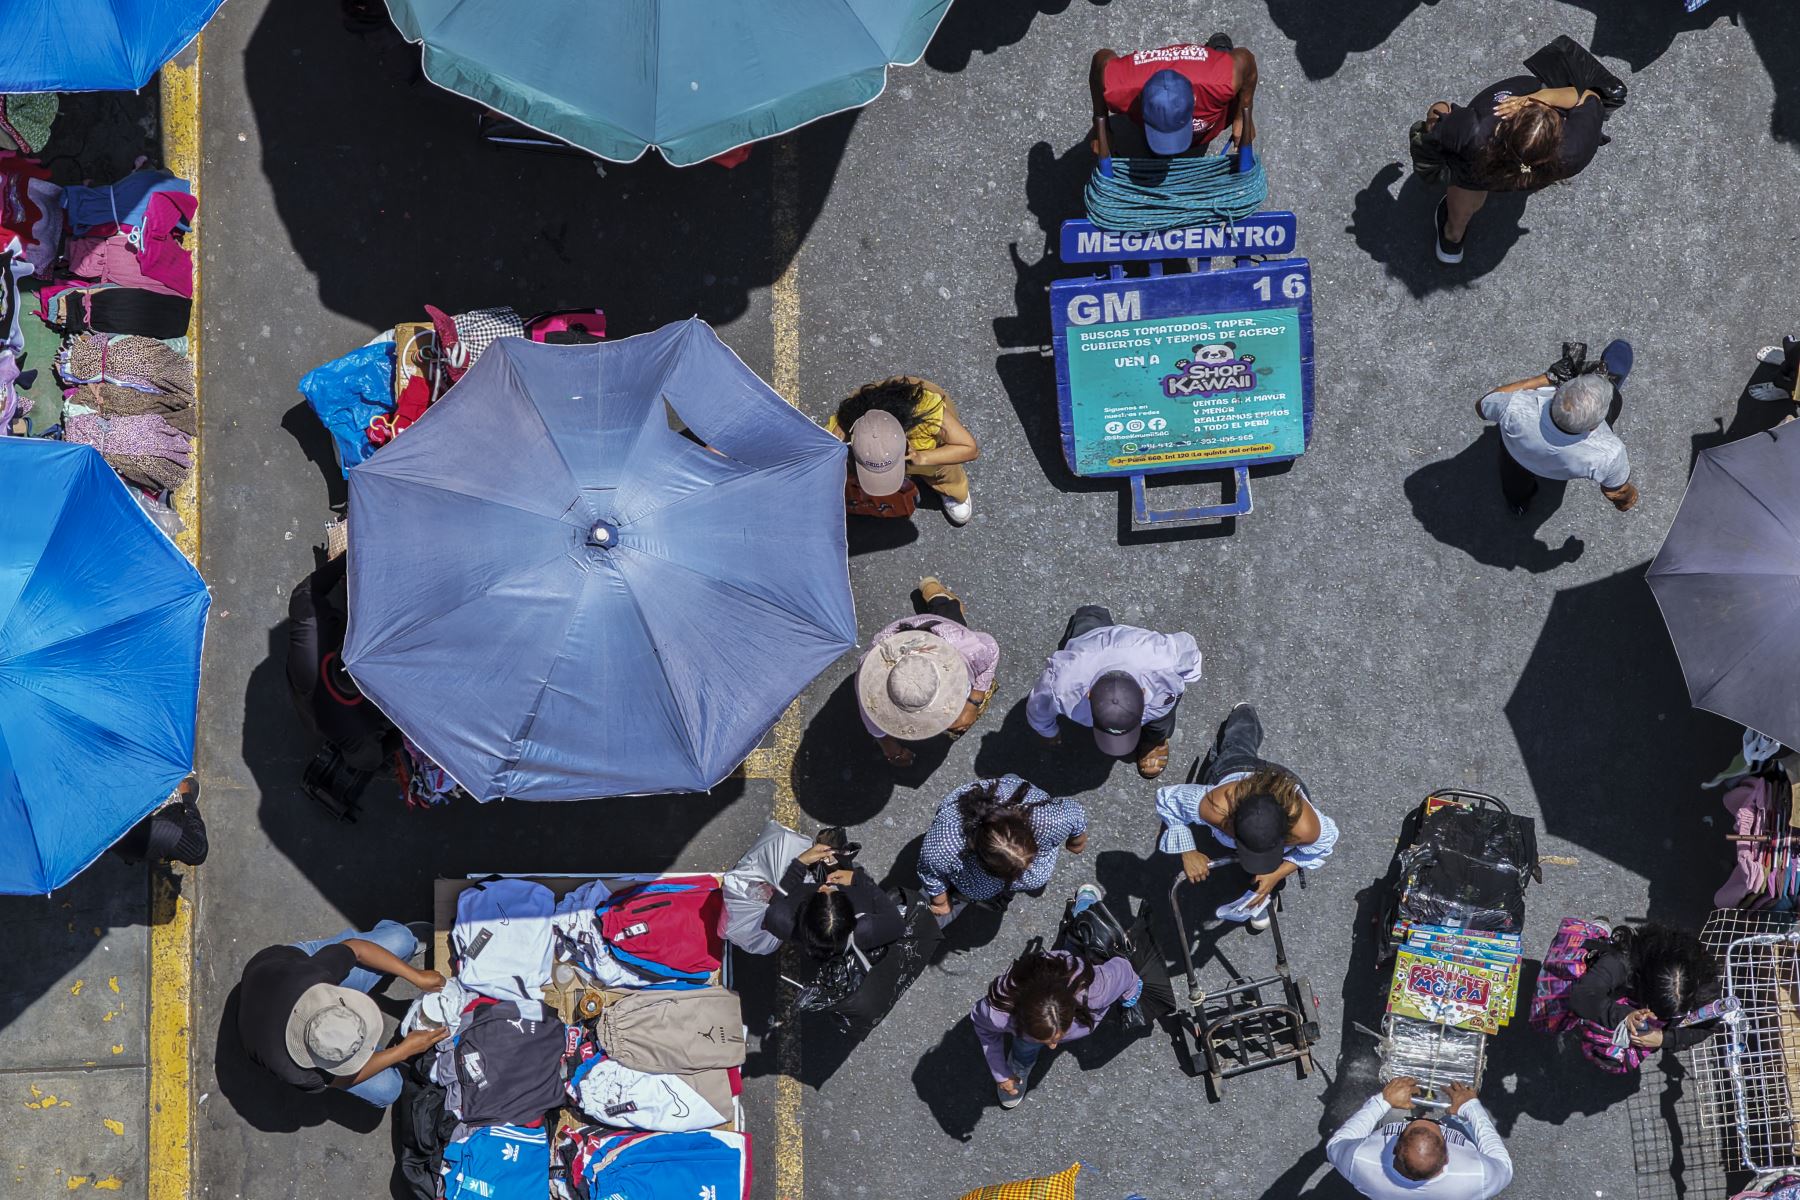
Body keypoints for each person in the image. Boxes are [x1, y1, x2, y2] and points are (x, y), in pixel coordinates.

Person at [1154, 703, 1337, 931]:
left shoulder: (1307, 828)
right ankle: (1243, 715)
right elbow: (1168, 800)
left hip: (1283, 783)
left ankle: (1266, 889)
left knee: (1271, 874)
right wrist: (1188, 851)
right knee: (1237, 745)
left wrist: (1276, 874)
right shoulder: (1215, 807)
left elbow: (1321, 847)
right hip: (1235, 769)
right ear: (1228, 825)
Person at [237, 920, 447, 1107]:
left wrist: (416, 976)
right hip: (267, 999)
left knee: (401, 939)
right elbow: (343, 1079)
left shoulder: (312, 975)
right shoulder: (298, 1072)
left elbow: (356, 949)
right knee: (388, 1089)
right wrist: (403, 1051)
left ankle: (404, 944)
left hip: (284, 965)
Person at [1420, 76, 1607, 263]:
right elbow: (1588, 95)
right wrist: (1546, 97)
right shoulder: (1574, 150)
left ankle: (1452, 238)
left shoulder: (1474, 131)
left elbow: (1437, 119)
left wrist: (1439, 111)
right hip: (1534, 176)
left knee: (1466, 180)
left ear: (1508, 122)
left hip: (1478, 170)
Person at [971, 922, 1142, 1110]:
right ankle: (1021, 1062)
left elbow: (1125, 970)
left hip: (1070, 968)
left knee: (1082, 931)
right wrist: (1001, 1073)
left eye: (1056, 1038)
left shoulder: (1096, 991)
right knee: (1026, 1044)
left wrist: (1130, 995)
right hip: (1056, 968)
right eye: (1048, 1040)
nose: (1053, 1047)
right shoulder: (998, 1014)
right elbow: (984, 1030)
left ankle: (1085, 905)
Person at [1026, 606, 1203, 779]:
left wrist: (1184, 677)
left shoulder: (1165, 660)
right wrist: (1048, 731)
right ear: (1088, 694)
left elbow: (1190, 652)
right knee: (1086, 627)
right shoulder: (1060, 684)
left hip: (1136, 651)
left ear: (1143, 693)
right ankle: (1091, 614)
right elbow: (1038, 708)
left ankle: (1155, 740)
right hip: (1089, 646)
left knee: (1161, 723)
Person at [1476, 340, 1637, 516]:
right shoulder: (1609, 454)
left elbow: (1482, 405)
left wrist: (1548, 377)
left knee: (1514, 481)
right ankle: (1609, 381)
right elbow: (1614, 490)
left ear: (1556, 395)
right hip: (1565, 465)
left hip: (1517, 456)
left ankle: (1518, 503)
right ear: (1593, 427)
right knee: (1615, 390)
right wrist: (1627, 499)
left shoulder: (1515, 407)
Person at [1534, 920, 1723, 1068]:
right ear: (1644, 981)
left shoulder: (1706, 987)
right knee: (1556, 1002)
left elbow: (1708, 1027)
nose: (1656, 1017)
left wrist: (1664, 1039)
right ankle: (1597, 930)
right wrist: (1625, 1017)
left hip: (1634, 1003)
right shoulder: (1626, 958)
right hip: (1618, 993)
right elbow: (1582, 996)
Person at [858, 577, 998, 767]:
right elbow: (873, 720)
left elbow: (991, 648)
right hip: (922, 637)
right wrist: (889, 747)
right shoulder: (869, 678)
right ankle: (936, 596)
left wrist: (974, 701)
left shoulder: (965, 645)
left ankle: (937, 594)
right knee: (948, 615)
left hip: (944, 633)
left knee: (951, 616)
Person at [917, 775, 1089, 922]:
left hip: (1009, 797)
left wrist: (1076, 840)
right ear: (982, 860)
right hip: (974, 831)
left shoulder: (1045, 817)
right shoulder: (944, 847)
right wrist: (940, 902)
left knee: (1036, 877)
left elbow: (1075, 814)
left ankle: (1010, 778)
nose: (1030, 866)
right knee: (979, 890)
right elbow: (929, 870)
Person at [1327, 1076, 1514, 1200]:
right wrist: (1471, 1107)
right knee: (1467, 1121)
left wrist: (1383, 1101)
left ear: (1394, 1149)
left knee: (1392, 1115)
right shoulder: (1476, 1176)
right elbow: (1503, 1164)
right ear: (1448, 1157)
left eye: (1412, 1123)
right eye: (1437, 1128)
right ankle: (1451, 1119)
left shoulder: (1359, 1160)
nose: (1424, 1118)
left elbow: (1335, 1144)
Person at [286, 554, 394, 771]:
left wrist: (349, 557)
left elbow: (304, 592)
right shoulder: (362, 731)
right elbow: (369, 761)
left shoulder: (311, 636)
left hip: (305, 697)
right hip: (325, 720)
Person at [828, 375, 979, 525]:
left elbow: (969, 448)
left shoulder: (927, 414)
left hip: (923, 425)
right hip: (875, 407)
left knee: (942, 468)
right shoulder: (841, 428)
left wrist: (923, 457)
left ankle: (954, 491)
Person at [1089, 36, 1259, 158]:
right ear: (1140, 98)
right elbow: (1099, 60)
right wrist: (1101, 126)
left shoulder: (1221, 80)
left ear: (1193, 99)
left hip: (1207, 72)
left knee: (1226, 69)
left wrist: (1243, 115)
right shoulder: (1121, 85)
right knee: (1154, 152)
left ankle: (1217, 49)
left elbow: (1246, 61)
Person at [761, 834, 907, 962]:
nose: (824, 886)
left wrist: (801, 862)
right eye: (834, 890)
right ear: (851, 916)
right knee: (854, 867)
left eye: (820, 892)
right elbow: (898, 925)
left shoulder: (780, 921)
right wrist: (858, 877)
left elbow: (776, 902)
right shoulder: (864, 929)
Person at [110, 774, 207, 868]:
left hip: (119, 838)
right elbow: (198, 853)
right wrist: (187, 798)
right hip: (149, 835)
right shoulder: (163, 828)